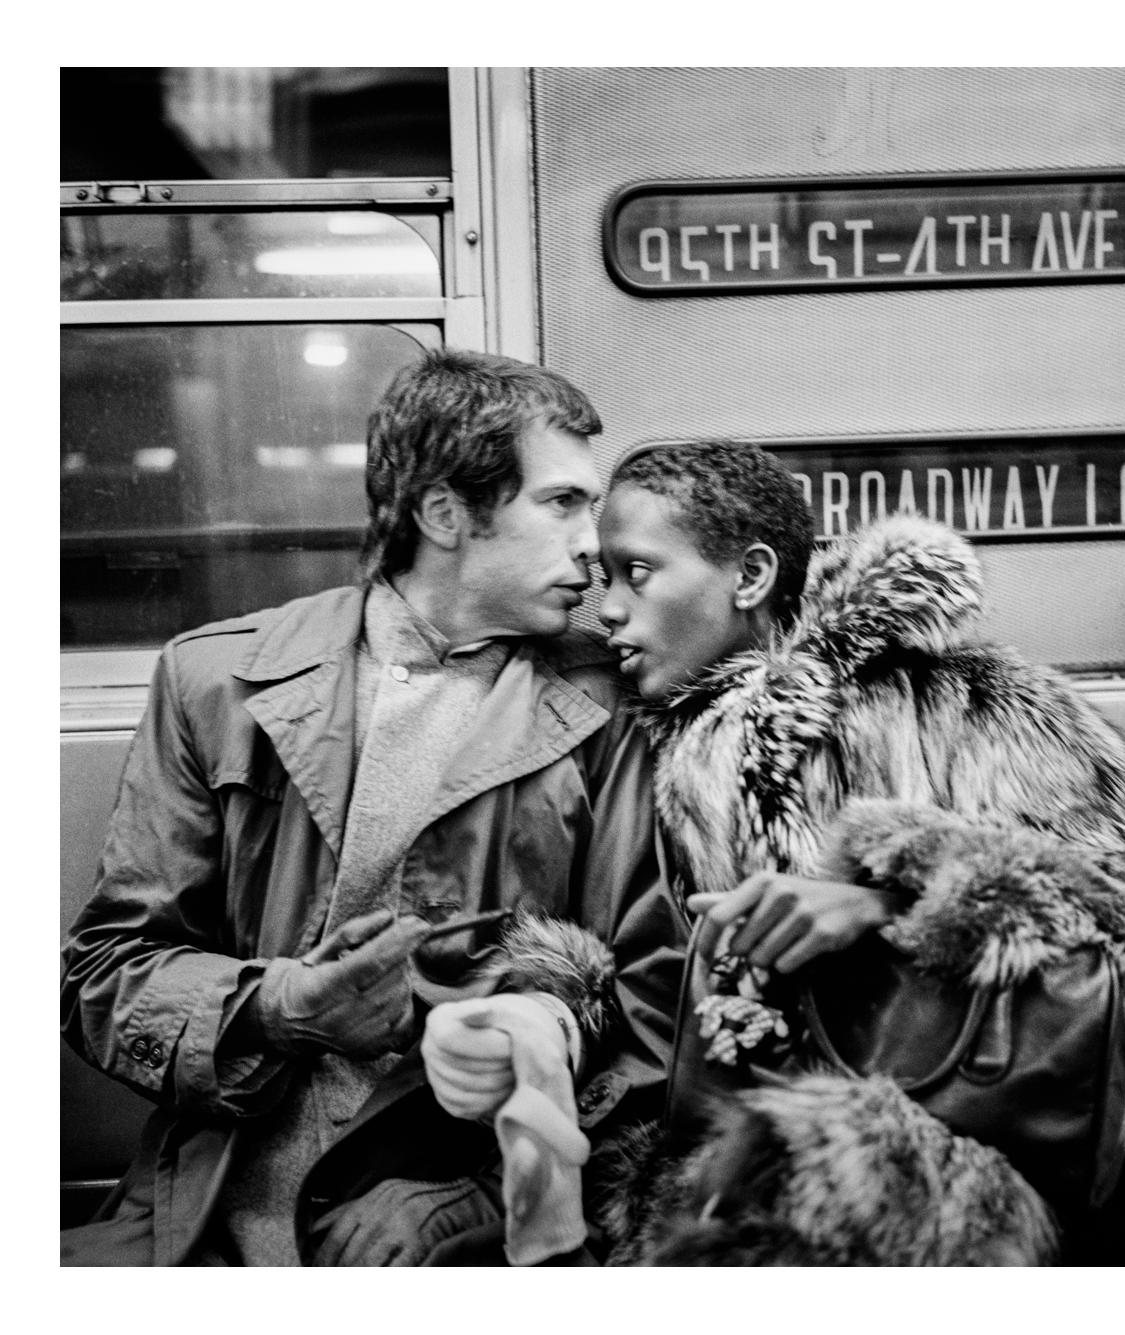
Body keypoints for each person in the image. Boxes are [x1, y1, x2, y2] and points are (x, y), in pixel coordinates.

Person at [60, 348, 684, 1266]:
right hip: (216, 1201)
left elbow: (659, 1004)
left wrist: (473, 1198)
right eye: (562, 503)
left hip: (460, 1215)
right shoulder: (218, 680)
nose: (595, 545)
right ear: (444, 513)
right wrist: (279, 1009)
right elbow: (104, 973)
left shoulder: (615, 708)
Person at [576, 440, 1125, 1264]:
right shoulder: (624, 747)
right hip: (699, 1189)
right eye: (601, 576)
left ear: (748, 577)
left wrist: (892, 902)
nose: (605, 608)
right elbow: (624, 969)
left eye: (634, 573)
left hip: (971, 1178)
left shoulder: (970, 709)